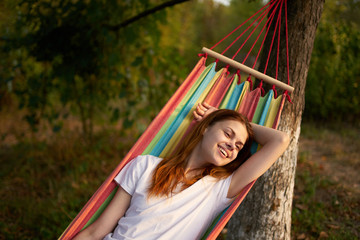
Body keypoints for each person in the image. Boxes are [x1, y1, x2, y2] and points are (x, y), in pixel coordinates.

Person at [73, 102, 290, 240]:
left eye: (240, 145)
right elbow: (96, 232)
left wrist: (222, 118)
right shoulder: (145, 166)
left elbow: (279, 140)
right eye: (228, 133)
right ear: (205, 128)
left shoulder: (219, 190)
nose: (233, 145)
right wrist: (217, 116)